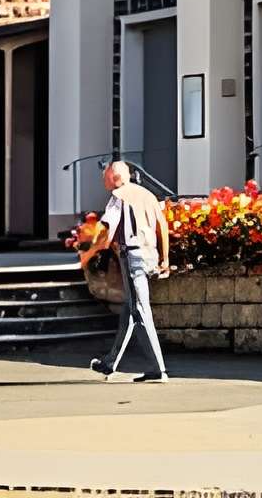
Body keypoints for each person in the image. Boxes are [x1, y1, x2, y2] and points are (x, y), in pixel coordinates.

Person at [93, 161, 171, 383]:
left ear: (113, 177)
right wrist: (165, 258)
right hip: (149, 255)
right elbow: (162, 225)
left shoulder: (118, 197)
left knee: (140, 311)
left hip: (132, 256)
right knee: (130, 310)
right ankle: (110, 363)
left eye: (105, 176)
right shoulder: (147, 195)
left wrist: (93, 251)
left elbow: (107, 228)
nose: (103, 181)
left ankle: (158, 369)